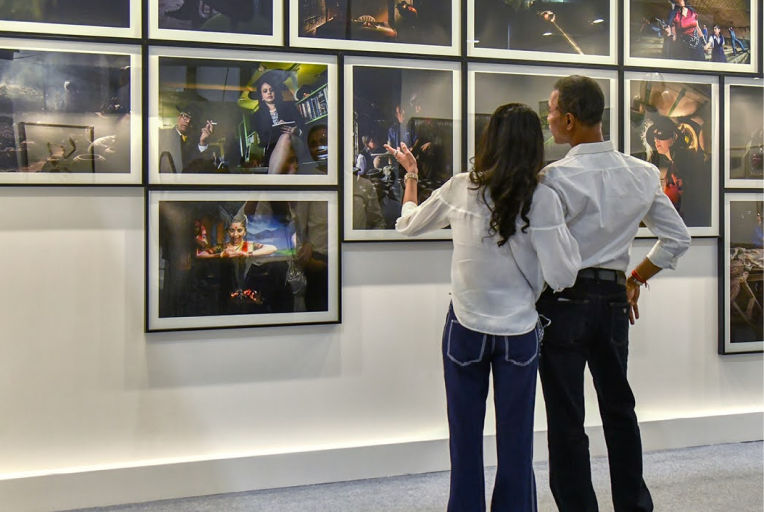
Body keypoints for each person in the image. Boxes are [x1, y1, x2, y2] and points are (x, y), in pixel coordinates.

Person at [386, 103, 582, 512]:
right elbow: (563, 275)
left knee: (464, 441)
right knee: (517, 443)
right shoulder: (543, 198)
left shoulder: (461, 188)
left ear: (489, 140)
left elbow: (407, 225)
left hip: (465, 327)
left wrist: (411, 177)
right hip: (519, 333)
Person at [538, 75, 692, 512]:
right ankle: (634, 505)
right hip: (612, 301)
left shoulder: (553, 177)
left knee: (567, 417)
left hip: (563, 303)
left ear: (570, 119)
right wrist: (635, 278)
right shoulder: (642, 173)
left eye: (551, 111)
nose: (549, 119)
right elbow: (677, 239)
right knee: (620, 410)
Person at [249, 70, 304, 165]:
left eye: (271, 90)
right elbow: (263, 141)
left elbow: (302, 126)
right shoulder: (257, 116)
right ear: (261, 96)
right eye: (265, 91)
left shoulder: (289, 106)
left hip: (293, 145)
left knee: (288, 139)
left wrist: (296, 131)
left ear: (275, 92)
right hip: (272, 152)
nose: (269, 93)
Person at [157, 105, 216, 173]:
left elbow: (201, 165)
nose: (188, 121)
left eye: (192, 119)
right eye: (185, 117)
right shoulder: (163, 136)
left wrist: (202, 142)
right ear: (178, 117)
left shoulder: (197, 140)